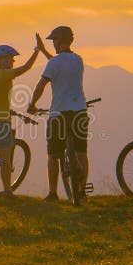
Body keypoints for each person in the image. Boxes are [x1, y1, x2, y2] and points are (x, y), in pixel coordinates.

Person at [0, 35, 43, 200]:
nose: (13, 61)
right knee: (5, 158)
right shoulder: (5, 74)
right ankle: (7, 192)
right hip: (0, 121)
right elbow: (26, 67)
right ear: (2, 59)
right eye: (11, 58)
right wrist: (37, 50)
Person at [27, 26, 89, 203]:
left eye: (54, 40)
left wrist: (32, 104)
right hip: (79, 111)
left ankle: (53, 194)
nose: (53, 43)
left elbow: (42, 84)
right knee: (81, 152)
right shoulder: (78, 60)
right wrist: (44, 51)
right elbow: (58, 65)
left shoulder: (54, 63)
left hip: (59, 114)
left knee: (54, 154)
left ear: (60, 40)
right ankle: (82, 192)